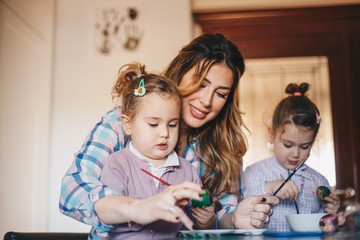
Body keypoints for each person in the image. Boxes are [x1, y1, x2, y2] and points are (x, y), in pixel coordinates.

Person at [59, 33, 279, 239]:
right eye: (201, 84)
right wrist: (136, 208)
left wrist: (235, 219)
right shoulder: (122, 122)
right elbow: (72, 191)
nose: (207, 101)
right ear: (179, 73)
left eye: (221, 93)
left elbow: (216, 218)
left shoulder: (225, 146)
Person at [95, 62, 213, 239]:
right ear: (128, 124)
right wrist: (137, 208)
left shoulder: (187, 170)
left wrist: (207, 220)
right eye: (153, 124)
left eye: (172, 124)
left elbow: (198, 224)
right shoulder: (117, 163)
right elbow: (105, 211)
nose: (165, 133)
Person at [242, 82, 340, 232]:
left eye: (304, 146)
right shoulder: (254, 172)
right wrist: (269, 187)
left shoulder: (319, 180)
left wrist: (330, 213)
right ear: (271, 134)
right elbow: (241, 207)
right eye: (288, 145)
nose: (295, 154)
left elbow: (326, 228)